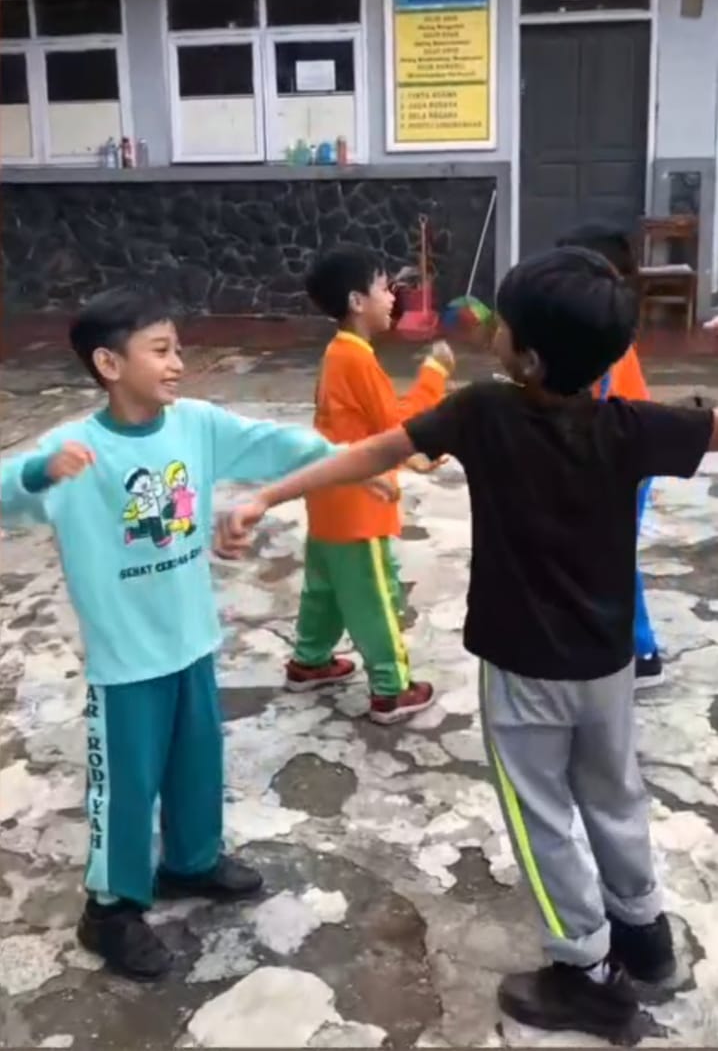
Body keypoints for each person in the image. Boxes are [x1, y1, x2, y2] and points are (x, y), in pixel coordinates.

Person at [215, 248, 717, 1042]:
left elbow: (376, 452)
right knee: (614, 793)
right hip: (608, 664)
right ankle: (644, 933)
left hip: (523, 669)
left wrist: (269, 496)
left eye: (504, 323)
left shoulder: (484, 413)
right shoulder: (633, 425)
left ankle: (587, 973)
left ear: (529, 357)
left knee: (540, 816)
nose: (492, 329)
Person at [0, 287, 348, 983]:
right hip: (125, 658)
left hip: (191, 638)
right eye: (160, 350)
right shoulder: (75, 449)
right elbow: (8, 493)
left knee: (197, 760)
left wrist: (355, 460)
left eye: (178, 349)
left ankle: (190, 862)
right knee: (126, 788)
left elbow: (275, 444)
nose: (177, 364)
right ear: (108, 363)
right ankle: (110, 909)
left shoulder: (196, 425)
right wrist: (39, 471)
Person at [285, 246, 454, 724]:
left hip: (330, 497)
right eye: (384, 287)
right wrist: (434, 375)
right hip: (360, 500)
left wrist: (417, 456)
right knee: (375, 597)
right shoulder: (356, 359)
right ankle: (391, 689)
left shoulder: (339, 353)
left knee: (325, 588)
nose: (393, 296)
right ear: (357, 301)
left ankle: (310, 661)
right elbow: (394, 424)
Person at [557, 223, 661, 688]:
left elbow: (599, 411)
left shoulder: (606, 340)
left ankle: (642, 652)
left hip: (624, 461)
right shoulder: (599, 330)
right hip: (615, 458)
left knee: (613, 556)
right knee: (602, 552)